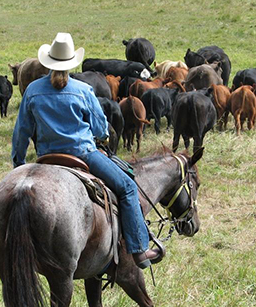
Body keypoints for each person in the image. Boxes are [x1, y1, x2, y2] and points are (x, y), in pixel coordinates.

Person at [11, 33, 164, 268]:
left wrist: (19, 163)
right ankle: (139, 249)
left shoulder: (32, 90)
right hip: (83, 154)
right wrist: (101, 135)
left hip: (46, 158)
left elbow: (21, 131)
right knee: (127, 188)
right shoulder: (82, 90)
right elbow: (101, 127)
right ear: (71, 63)